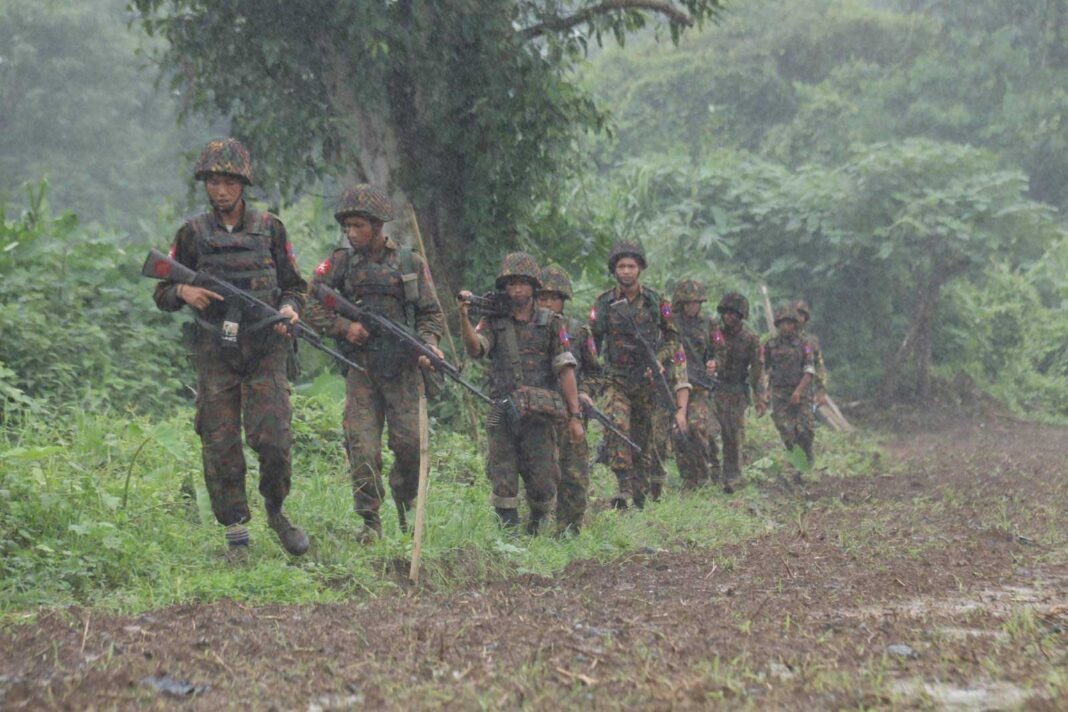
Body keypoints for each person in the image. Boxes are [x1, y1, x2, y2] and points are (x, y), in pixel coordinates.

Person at [152, 138, 309, 558]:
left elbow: (295, 286)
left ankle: (276, 512)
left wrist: (290, 310)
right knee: (220, 443)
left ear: (243, 184)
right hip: (215, 351)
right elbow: (162, 292)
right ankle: (236, 534)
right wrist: (184, 291)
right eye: (213, 182)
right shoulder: (192, 233)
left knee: (274, 438)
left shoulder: (270, 228)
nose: (220, 191)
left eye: (228, 182)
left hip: (265, 347)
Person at [305, 185, 445, 542]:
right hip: (362, 370)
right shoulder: (339, 263)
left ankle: (405, 502)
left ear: (378, 226)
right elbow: (310, 301)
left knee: (411, 446)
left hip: (402, 370)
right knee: (362, 447)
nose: (351, 234)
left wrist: (429, 345)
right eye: (347, 226)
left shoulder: (411, 264)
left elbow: (431, 313)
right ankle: (370, 522)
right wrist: (344, 327)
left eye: (358, 226)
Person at [458, 253, 583, 535]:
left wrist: (574, 415)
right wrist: (464, 317)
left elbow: (565, 368)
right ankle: (508, 536)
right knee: (502, 474)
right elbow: (476, 349)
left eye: (523, 284)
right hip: (502, 408)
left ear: (533, 286)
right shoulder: (494, 321)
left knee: (543, 479)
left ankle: (537, 524)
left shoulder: (550, 322)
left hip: (539, 414)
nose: (516, 290)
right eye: (511, 284)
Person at [589, 241, 690, 508]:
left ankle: (640, 493)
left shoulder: (656, 301)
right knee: (617, 425)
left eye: (631, 266)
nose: (626, 271)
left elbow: (672, 338)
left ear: (640, 268)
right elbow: (593, 343)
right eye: (621, 266)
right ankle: (622, 486)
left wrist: (658, 359)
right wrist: (591, 376)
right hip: (616, 379)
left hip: (646, 381)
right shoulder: (604, 303)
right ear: (614, 270)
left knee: (644, 439)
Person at [537, 264, 601, 535]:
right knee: (539, 472)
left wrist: (585, 392)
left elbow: (595, 371)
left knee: (574, 473)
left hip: (570, 411)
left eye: (554, 297)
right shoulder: (529, 327)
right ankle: (534, 526)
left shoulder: (578, 330)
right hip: (539, 410)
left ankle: (569, 528)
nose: (548, 302)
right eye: (543, 297)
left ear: (563, 299)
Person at [707, 292, 766, 493]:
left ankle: (732, 476)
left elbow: (757, 370)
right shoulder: (714, 332)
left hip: (737, 391)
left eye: (733, 314)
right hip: (714, 388)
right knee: (709, 430)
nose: (728, 317)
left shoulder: (750, 339)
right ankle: (712, 473)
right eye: (726, 313)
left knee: (732, 436)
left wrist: (760, 398)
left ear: (741, 316)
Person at [672, 279, 720, 490]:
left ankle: (705, 470)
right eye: (688, 302)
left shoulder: (709, 325)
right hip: (675, 385)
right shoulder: (671, 324)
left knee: (698, 426)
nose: (693, 306)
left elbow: (719, 349)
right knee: (678, 431)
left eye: (696, 302)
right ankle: (688, 477)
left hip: (699, 386)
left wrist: (714, 362)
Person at [763, 305, 817, 479]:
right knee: (786, 430)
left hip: (801, 391)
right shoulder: (770, 345)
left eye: (789, 323)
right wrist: (765, 391)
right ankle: (796, 466)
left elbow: (809, 370)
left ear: (795, 325)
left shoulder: (804, 345)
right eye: (782, 323)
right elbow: (764, 369)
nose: (786, 327)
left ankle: (807, 457)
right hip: (779, 392)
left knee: (805, 430)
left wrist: (798, 392)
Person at [792, 300, 829, 407]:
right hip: (780, 392)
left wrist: (821, 392)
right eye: (795, 314)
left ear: (805, 319)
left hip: (805, 392)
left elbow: (819, 367)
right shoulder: (776, 341)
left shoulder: (810, 342)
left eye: (801, 315)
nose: (798, 318)